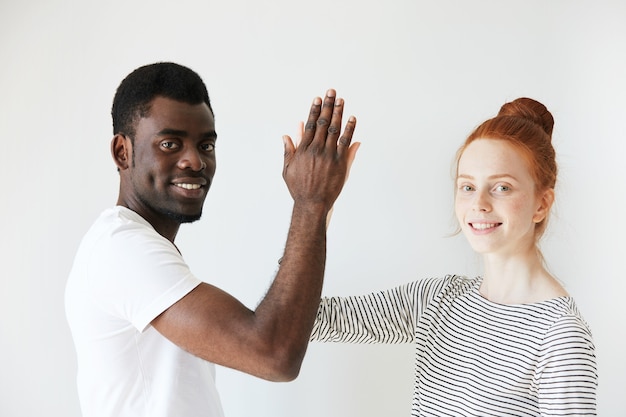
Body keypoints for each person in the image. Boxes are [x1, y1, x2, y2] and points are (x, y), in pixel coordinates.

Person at [65, 62, 359, 417]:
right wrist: (311, 202)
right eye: (170, 143)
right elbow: (274, 353)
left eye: (205, 145)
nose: (194, 160)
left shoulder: (137, 247)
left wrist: (316, 208)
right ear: (122, 152)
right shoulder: (123, 250)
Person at [311, 98, 598, 416]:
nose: (479, 204)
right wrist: (316, 207)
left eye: (502, 187)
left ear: (541, 204)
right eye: (467, 187)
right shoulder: (437, 299)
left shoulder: (559, 335)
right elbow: (308, 321)